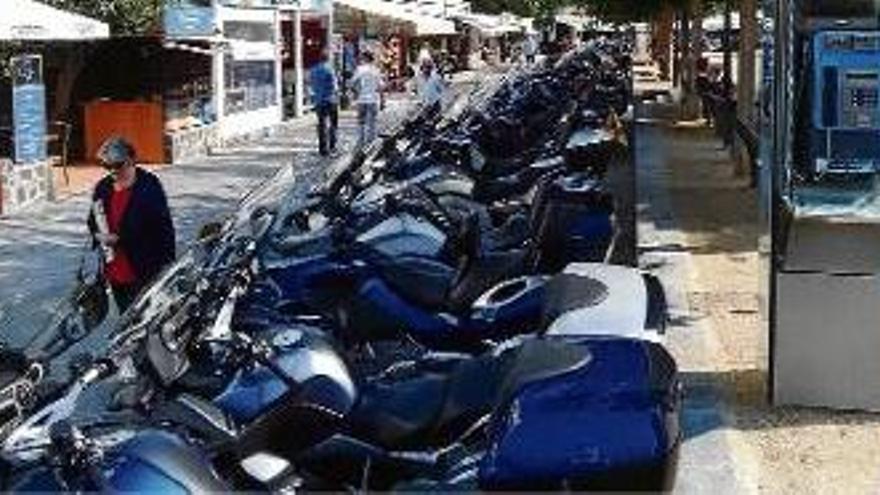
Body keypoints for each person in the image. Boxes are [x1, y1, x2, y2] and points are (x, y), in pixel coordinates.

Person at [88, 136, 175, 312]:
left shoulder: (149, 186)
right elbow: (92, 220)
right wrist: (98, 236)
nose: (112, 171)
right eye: (107, 166)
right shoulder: (103, 187)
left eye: (117, 165)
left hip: (144, 268)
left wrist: (119, 240)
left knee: (143, 319)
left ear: (130, 161)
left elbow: (161, 228)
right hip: (115, 269)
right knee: (125, 315)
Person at [350, 51, 384, 149]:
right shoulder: (376, 70)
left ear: (365, 58)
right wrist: (382, 100)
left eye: (362, 58)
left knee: (361, 122)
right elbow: (381, 87)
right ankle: (371, 144)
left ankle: (361, 142)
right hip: (373, 100)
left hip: (362, 100)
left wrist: (356, 93)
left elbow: (352, 84)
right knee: (372, 123)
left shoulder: (359, 69)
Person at [309, 50, 339, 156]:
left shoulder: (313, 70)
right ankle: (332, 147)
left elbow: (311, 86)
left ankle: (323, 149)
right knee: (333, 124)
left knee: (322, 125)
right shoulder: (330, 70)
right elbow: (335, 87)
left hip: (319, 101)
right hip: (330, 100)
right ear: (328, 58)